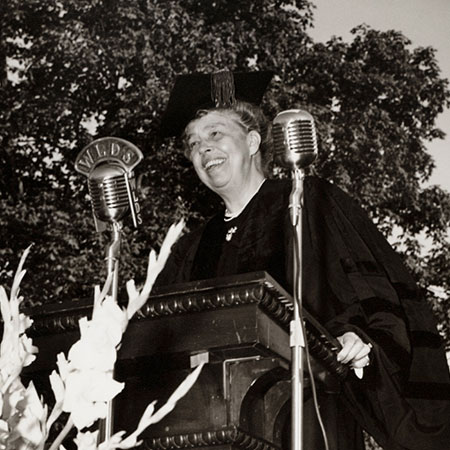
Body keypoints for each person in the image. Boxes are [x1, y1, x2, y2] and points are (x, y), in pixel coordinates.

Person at [155, 70, 450, 450]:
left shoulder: (310, 201)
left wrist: (363, 337)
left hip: (311, 405)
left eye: (215, 135)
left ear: (253, 140)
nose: (203, 149)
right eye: (193, 143)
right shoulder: (189, 247)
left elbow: (374, 292)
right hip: (213, 425)